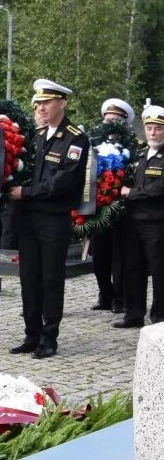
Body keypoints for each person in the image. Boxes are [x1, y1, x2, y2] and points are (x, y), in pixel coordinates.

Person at [9, 79, 88, 359]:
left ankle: (48, 336)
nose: (40, 108)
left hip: (53, 219)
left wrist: (25, 192)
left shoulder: (75, 138)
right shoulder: (37, 135)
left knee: (51, 278)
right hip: (29, 218)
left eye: (46, 102)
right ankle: (31, 334)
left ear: (62, 103)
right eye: (38, 103)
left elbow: (62, 182)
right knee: (28, 277)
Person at [117, 104, 164, 328]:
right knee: (132, 268)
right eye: (149, 128)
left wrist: (131, 193)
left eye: (158, 129)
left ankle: (159, 317)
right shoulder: (140, 153)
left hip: (157, 222)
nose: (153, 133)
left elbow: (159, 188)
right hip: (133, 221)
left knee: (159, 270)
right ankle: (133, 315)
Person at [92, 97, 135, 313]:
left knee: (119, 257)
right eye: (108, 119)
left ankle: (120, 298)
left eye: (116, 120)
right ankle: (104, 294)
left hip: (121, 209)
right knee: (99, 257)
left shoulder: (133, 147)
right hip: (99, 208)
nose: (111, 124)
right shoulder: (95, 146)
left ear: (124, 123)